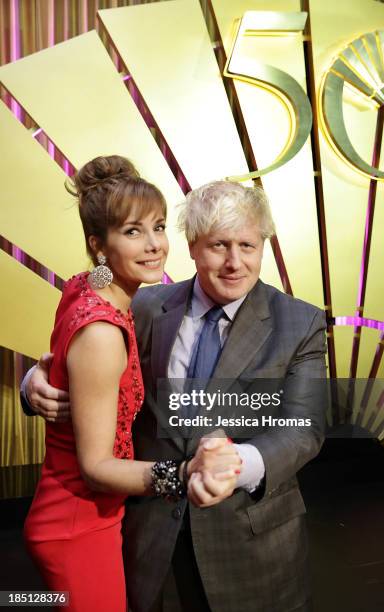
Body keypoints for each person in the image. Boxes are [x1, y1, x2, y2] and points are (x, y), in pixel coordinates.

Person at [23, 180, 327, 612]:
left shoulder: (300, 323)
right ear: (191, 244)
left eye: (249, 244)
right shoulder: (142, 305)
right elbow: (84, 358)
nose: (235, 262)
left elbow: (304, 428)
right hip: (143, 536)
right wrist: (33, 385)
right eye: (220, 245)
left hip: (249, 543)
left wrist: (232, 467)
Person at [21, 159, 240, 612]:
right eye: (133, 231)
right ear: (99, 246)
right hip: (77, 524)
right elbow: (96, 466)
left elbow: (61, 362)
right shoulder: (102, 333)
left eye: (158, 227)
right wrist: (183, 475)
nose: (155, 244)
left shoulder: (83, 286)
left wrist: (35, 376)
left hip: (78, 514)